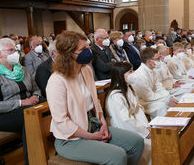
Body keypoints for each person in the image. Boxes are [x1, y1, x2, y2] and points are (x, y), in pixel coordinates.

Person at [46, 31, 144, 165]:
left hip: (93, 126)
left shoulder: (86, 70)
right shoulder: (57, 80)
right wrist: (91, 136)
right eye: (83, 49)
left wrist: (103, 123)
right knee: (117, 156)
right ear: (69, 54)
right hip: (70, 139)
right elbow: (61, 121)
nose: (89, 51)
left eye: (88, 47)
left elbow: (95, 101)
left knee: (136, 142)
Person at [0, 38, 41, 165]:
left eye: (15, 50)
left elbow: (36, 89)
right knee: (30, 118)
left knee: (46, 106)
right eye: (10, 50)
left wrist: (36, 96)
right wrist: (22, 102)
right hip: (2, 115)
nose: (15, 53)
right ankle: (33, 160)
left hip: (27, 107)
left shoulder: (23, 70)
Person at [105, 61, 151, 165]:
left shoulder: (129, 88)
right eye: (130, 72)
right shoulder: (115, 96)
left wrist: (146, 127)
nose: (133, 74)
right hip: (122, 128)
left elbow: (137, 110)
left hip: (134, 125)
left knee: (154, 139)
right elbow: (124, 120)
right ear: (121, 75)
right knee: (149, 146)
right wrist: (143, 131)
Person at [128, 48, 178, 118]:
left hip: (151, 97)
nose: (160, 61)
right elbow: (148, 97)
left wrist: (169, 96)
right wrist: (167, 100)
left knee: (173, 99)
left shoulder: (152, 70)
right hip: (142, 101)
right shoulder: (139, 76)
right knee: (161, 107)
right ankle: (161, 127)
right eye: (157, 59)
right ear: (149, 61)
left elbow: (158, 87)